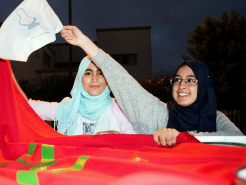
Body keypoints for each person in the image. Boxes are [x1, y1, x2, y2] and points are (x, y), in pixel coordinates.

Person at [60, 25, 243, 145]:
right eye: (177, 80)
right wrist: (84, 42)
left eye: (190, 80)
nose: (182, 86)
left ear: (204, 85)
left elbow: (238, 142)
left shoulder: (217, 118)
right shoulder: (159, 113)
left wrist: (185, 138)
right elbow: (123, 82)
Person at [27, 56, 136, 135]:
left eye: (100, 73)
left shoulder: (119, 108)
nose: (94, 79)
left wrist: (119, 138)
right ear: (80, 79)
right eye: (88, 73)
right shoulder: (67, 108)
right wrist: (9, 74)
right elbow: (27, 106)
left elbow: (135, 142)